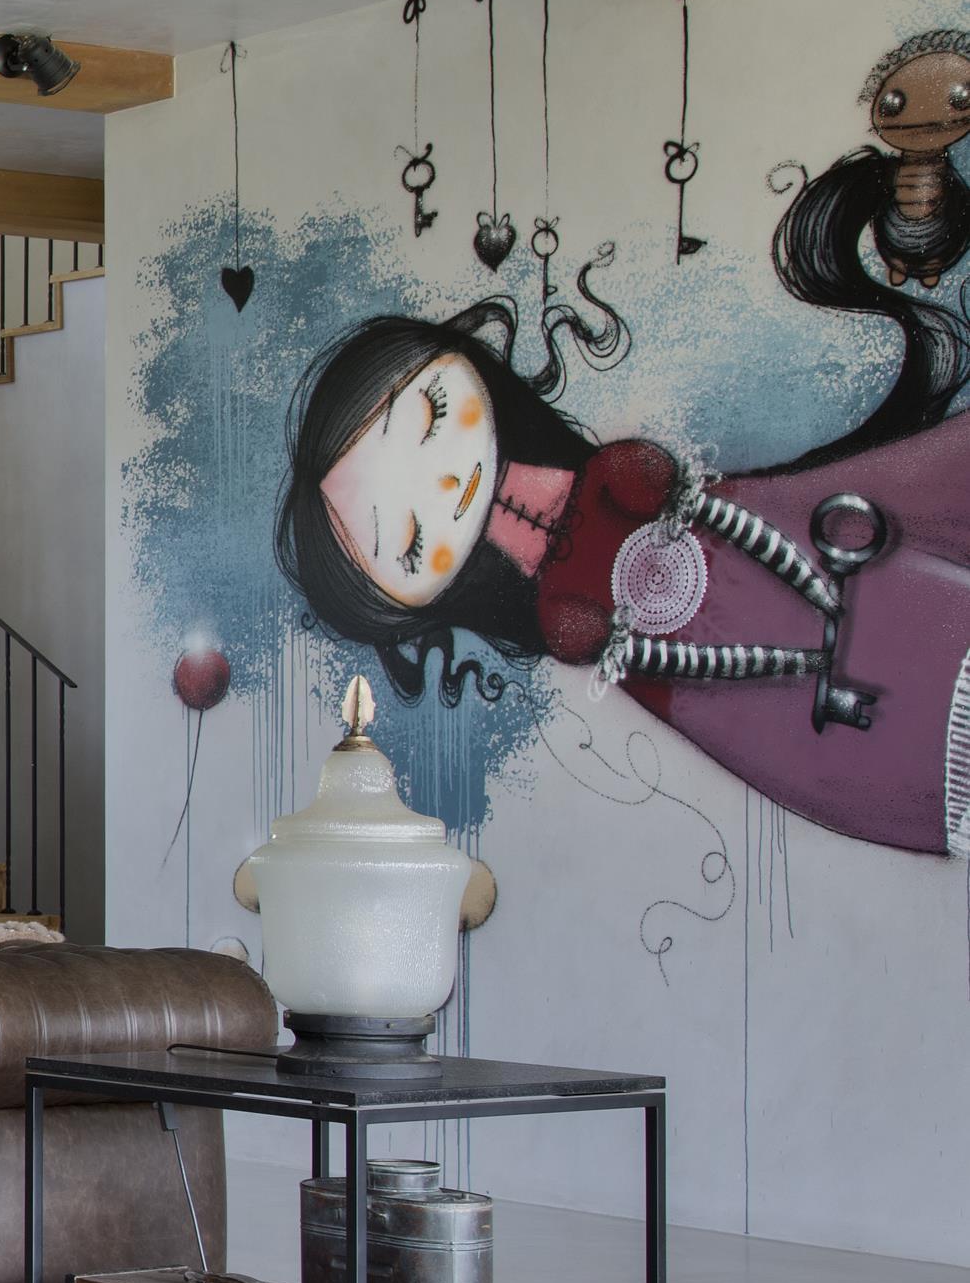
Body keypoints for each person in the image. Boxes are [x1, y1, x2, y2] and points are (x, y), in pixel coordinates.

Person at [276, 286, 970, 856]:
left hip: (740, 540)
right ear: (410, 601)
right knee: (853, 730)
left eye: (431, 415)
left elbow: (649, 482)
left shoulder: (598, 480)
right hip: (700, 674)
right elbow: (579, 630)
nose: (449, 487)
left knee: (886, 560)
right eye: (410, 540)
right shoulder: (569, 614)